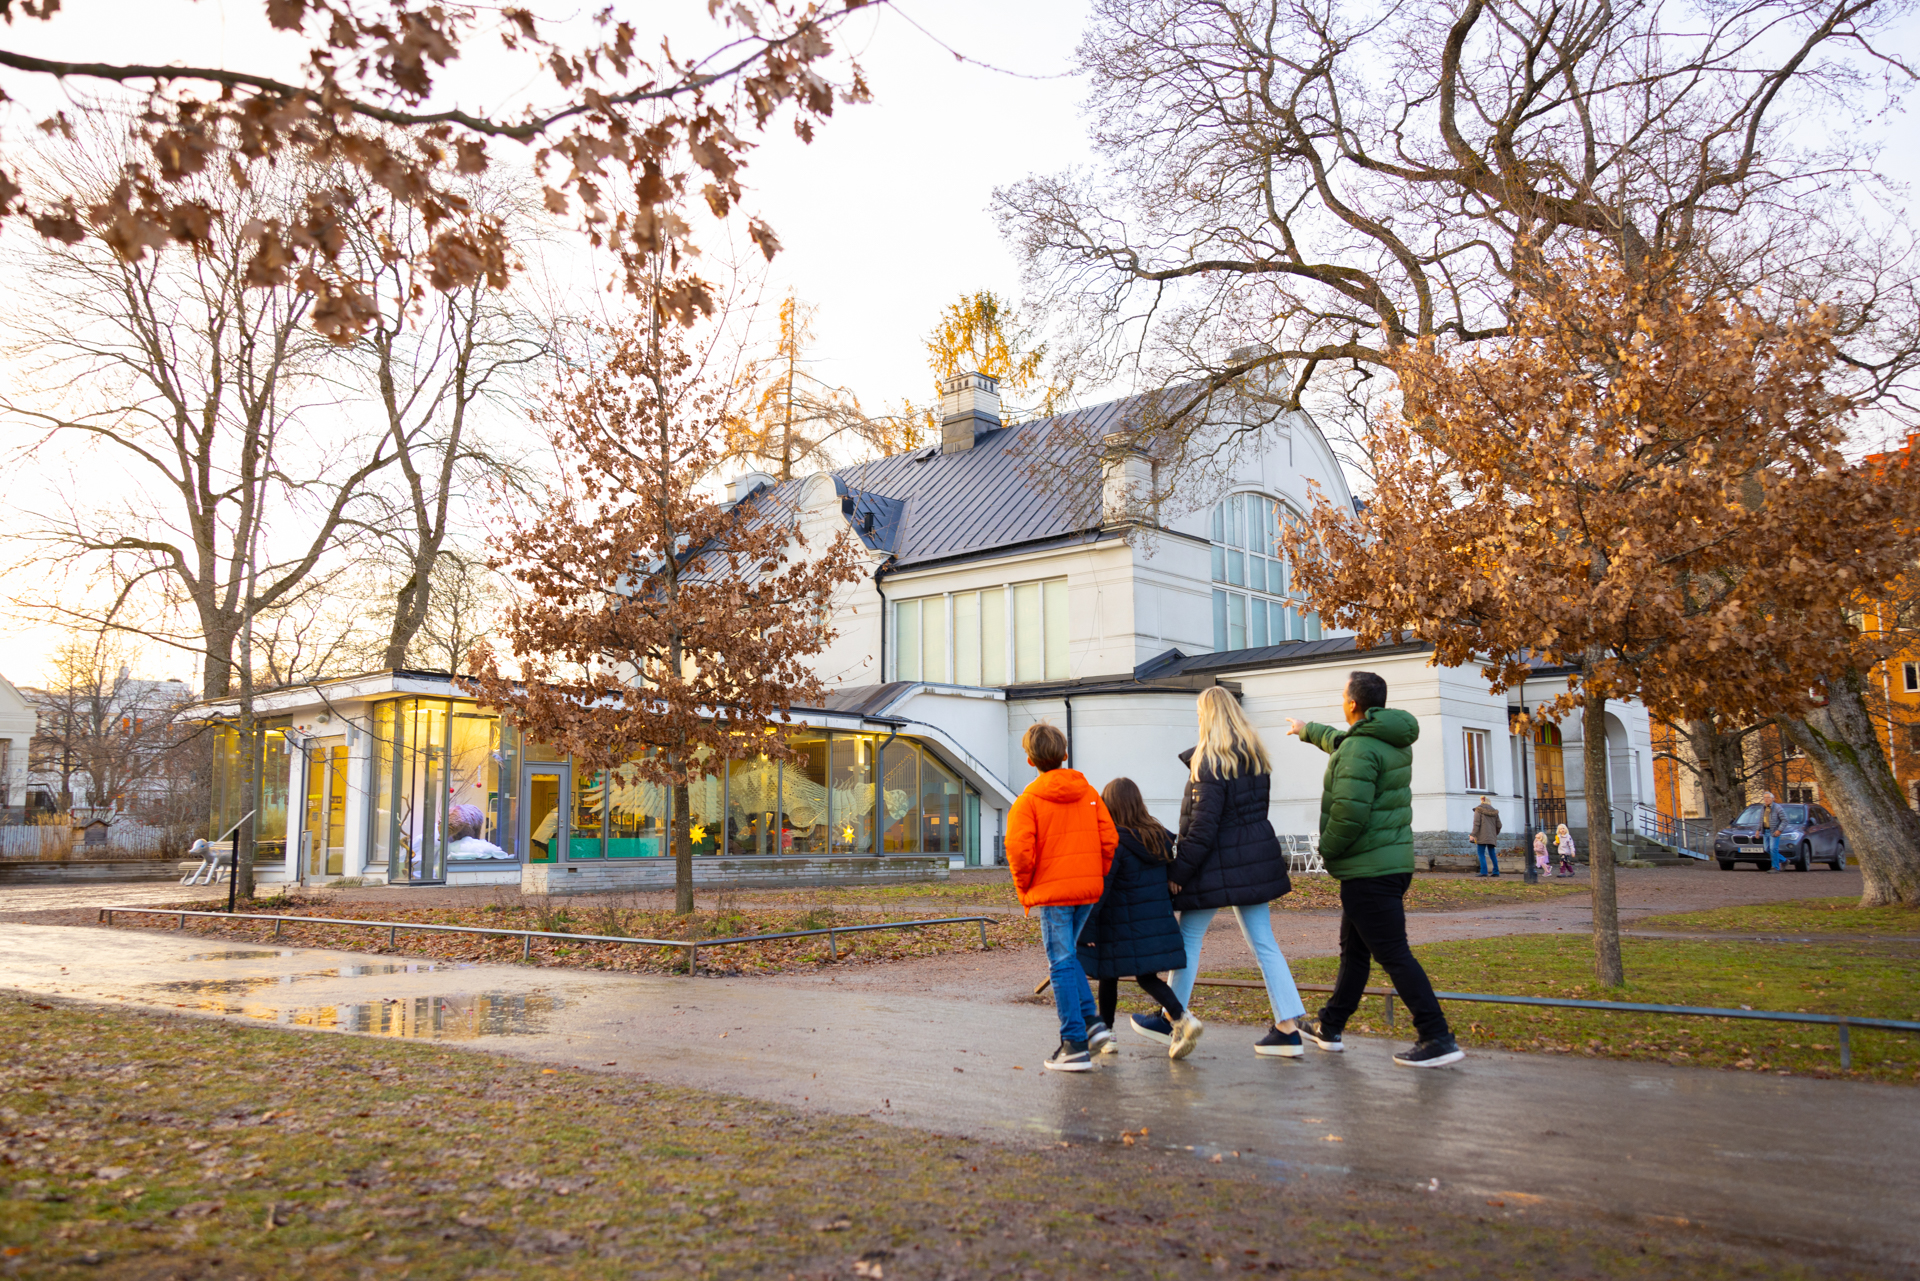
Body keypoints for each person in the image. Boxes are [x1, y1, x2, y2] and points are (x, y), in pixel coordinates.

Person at [1289, 671, 1464, 1069]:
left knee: (1393, 954)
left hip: (1367, 870)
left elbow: (1349, 814)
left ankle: (1437, 1035)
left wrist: (1328, 853)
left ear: (1352, 703)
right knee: (1354, 952)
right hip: (1389, 863)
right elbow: (1343, 743)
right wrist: (1307, 730)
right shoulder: (1387, 741)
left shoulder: (1360, 748)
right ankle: (1330, 1026)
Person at [1135, 686, 1308, 1058]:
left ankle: (1172, 1018)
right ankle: (1289, 1028)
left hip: (1214, 866)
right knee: (1265, 945)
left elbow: (1203, 828)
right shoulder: (1255, 758)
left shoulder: (1209, 762)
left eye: (1199, 713)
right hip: (1253, 863)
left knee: (1189, 938)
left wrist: (1179, 872)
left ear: (1208, 717)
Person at [1005, 721, 1118, 1072]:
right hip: (1085, 890)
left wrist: (1026, 889)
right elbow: (1109, 840)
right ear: (1064, 755)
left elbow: (1019, 851)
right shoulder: (1090, 794)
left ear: (1029, 760)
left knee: (1060, 962)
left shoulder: (1027, 801)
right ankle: (1093, 1025)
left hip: (1053, 891)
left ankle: (1074, 1043)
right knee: (1068, 959)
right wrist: (1093, 873)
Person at [1079, 777, 1204, 1059]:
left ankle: (1107, 1035)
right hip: (1154, 923)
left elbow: (1102, 888)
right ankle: (1182, 1018)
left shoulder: (1115, 843)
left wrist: (1085, 930)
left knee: (1107, 975)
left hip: (1118, 923)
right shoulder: (1158, 836)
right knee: (1147, 977)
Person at [1471, 796, 1503, 877]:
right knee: (1492, 853)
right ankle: (1496, 871)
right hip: (1491, 836)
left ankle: (1484, 871)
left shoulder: (1478, 810)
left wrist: (1473, 834)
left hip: (1482, 835)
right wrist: (1495, 834)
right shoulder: (1495, 812)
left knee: (1481, 853)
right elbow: (1499, 825)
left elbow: (1476, 824)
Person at [1758, 791, 1786, 873]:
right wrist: (1758, 830)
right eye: (1765, 798)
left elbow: (1785, 820)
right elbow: (1761, 820)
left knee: (1773, 849)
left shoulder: (1777, 808)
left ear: (1772, 799)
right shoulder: (1763, 808)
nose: (1766, 799)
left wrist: (1779, 830)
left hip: (1774, 831)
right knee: (1767, 849)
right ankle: (1784, 860)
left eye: (1768, 798)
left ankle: (1775, 867)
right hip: (1765, 831)